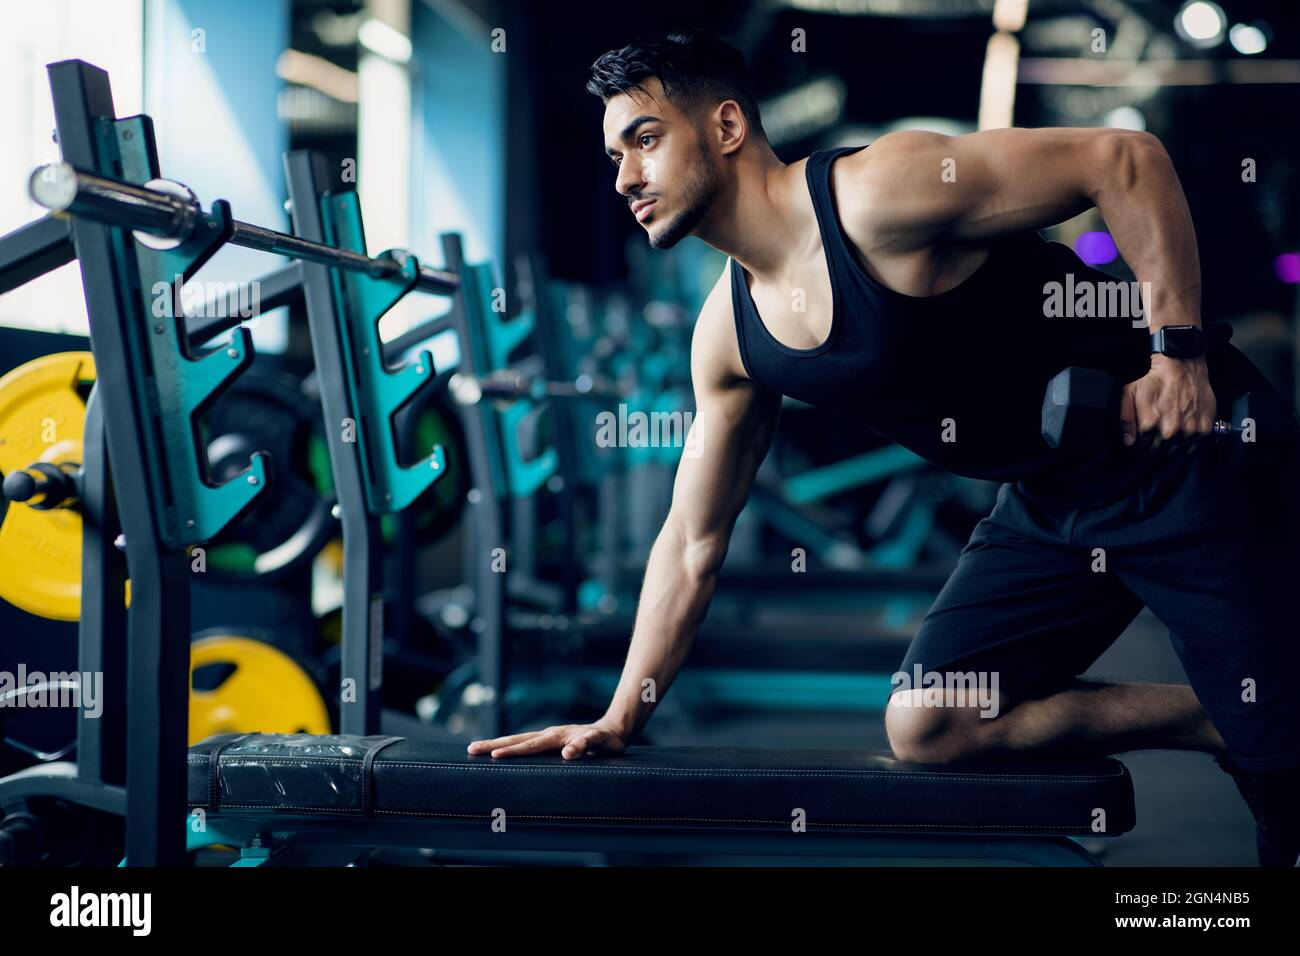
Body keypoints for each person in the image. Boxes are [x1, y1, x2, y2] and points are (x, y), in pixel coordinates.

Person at [469, 29, 1300, 866]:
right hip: (1050, 500)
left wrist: (1178, 355)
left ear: (725, 127)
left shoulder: (878, 195)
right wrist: (621, 714)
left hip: (1183, 452)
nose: (624, 178)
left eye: (645, 141)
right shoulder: (728, 335)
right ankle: (1209, 713)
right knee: (931, 718)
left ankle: (1257, 726)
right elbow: (691, 542)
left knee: (1285, 774)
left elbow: (1123, 160)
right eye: (614, 154)